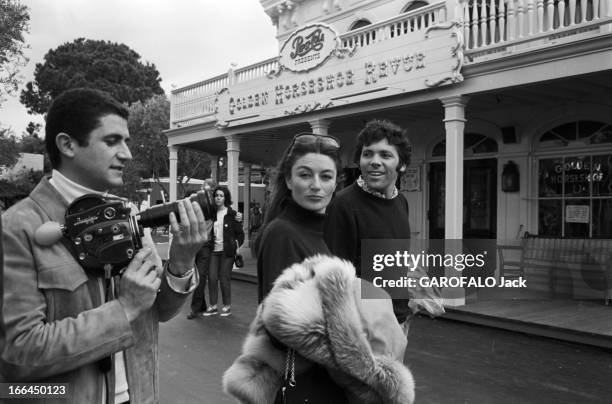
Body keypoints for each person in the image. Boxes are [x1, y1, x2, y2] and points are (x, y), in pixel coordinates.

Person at [0, 88, 210, 404]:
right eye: (112, 141)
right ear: (67, 144)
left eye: (126, 141)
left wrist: (181, 261)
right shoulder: (17, 228)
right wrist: (123, 309)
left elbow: (159, 312)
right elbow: (18, 354)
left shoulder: (128, 215)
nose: (126, 153)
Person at [253, 132, 350, 403]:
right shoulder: (282, 233)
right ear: (288, 179)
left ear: (336, 183)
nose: (316, 186)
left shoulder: (324, 232)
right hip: (306, 387)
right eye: (305, 175)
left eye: (326, 177)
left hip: (327, 384)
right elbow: (279, 329)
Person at [324, 119, 412, 328]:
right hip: (364, 327)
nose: (374, 161)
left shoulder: (401, 202)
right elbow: (335, 279)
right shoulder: (343, 205)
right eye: (368, 153)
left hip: (399, 321)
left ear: (402, 164)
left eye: (385, 155)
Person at [203, 185, 244, 317]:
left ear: (225, 198)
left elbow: (240, 234)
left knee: (224, 277)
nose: (218, 198)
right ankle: (213, 306)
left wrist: (235, 246)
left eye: (221, 196)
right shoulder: (212, 214)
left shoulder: (233, 215)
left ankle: (227, 306)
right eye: (216, 196)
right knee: (212, 277)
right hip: (214, 250)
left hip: (227, 252)